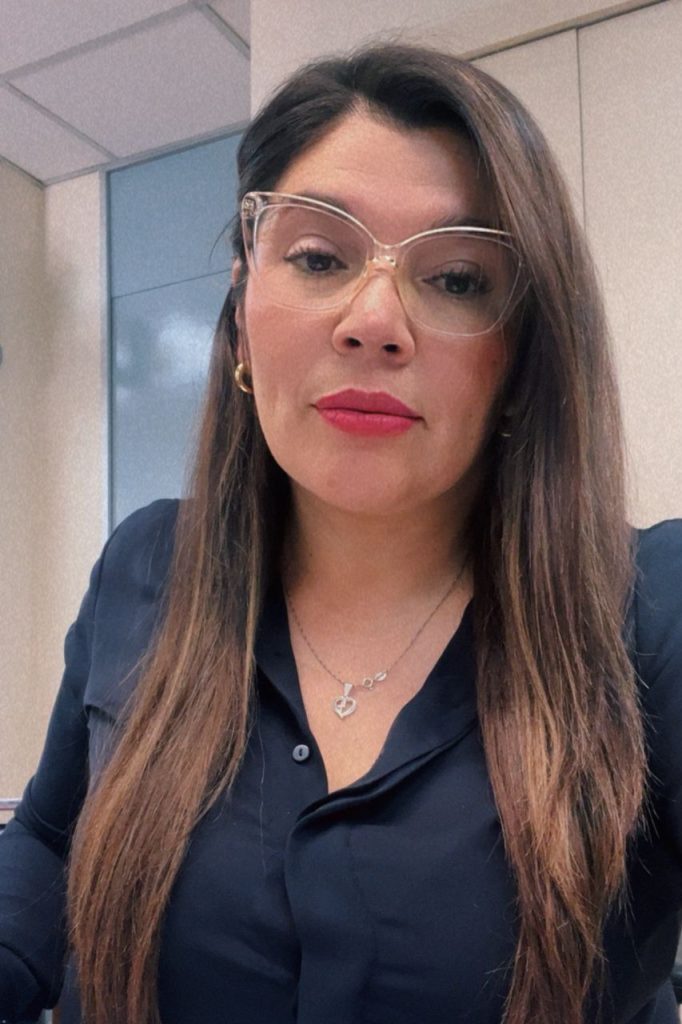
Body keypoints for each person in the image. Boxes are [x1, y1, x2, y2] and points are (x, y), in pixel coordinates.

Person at [1, 40, 681, 1024]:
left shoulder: (650, 613)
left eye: (456, 279)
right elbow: (49, 837)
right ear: (242, 310)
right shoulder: (146, 566)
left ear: (522, 354)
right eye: (319, 258)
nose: (374, 320)